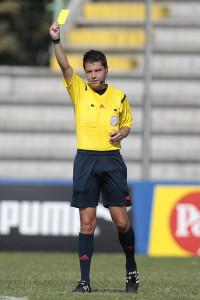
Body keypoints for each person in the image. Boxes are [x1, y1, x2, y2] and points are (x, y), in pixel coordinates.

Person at [49, 21, 139, 294]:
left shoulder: (119, 96)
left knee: (121, 222)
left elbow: (127, 123)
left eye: (97, 70)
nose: (92, 75)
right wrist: (56, 41)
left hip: (111, 161)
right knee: (86, 223)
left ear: (106, 70)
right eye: (88, 71)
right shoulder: (78, 89)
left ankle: (132, 270)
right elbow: (65, 66)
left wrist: (122, 133)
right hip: (86, 161)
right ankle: (85, 281)